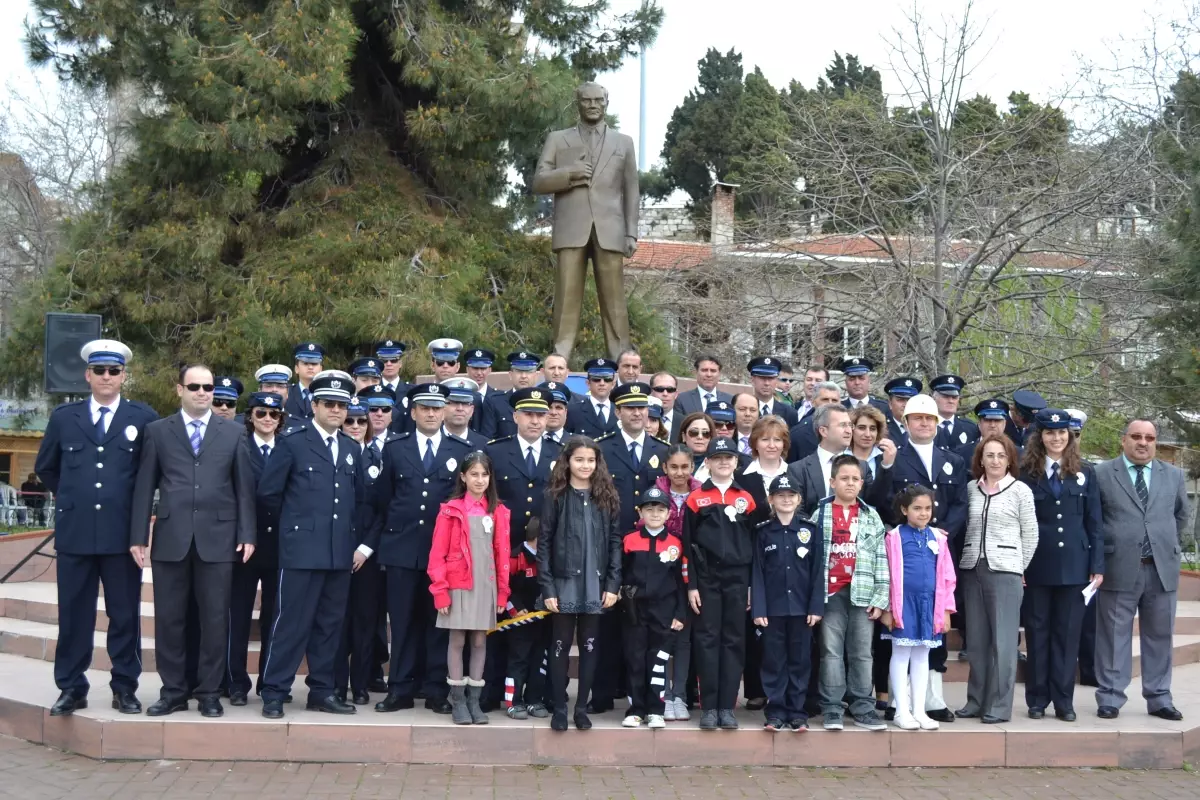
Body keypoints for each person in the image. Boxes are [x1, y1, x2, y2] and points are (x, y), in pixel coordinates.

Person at [34, 339, 157, 717]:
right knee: (74, 614)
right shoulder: (63, 418)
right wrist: (74, 497)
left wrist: (140, 531)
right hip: (76, 534)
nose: (107, 377)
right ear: (88, 375)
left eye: (114, 371)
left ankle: (125, 686)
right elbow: (46, 467)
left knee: (124, 615)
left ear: (124, 376)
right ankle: (71, 686)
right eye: (100, 371)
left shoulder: (143, 418)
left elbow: (149, 476)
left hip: (123, 537)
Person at [130, 364, 256, 718]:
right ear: (179, 390)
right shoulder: (157, 431)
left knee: (215, 619)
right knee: (170, 619)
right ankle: (173, 692)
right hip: (171, 539)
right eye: (195, 386)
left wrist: (247, 533)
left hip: (219, 539)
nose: (202, 392)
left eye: (208, 387)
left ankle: (209, 692)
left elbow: (244, 488)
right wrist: (138, 536)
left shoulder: (232, 433)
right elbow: (144, 487)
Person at [256, 372, 363, 718]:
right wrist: (293, 527)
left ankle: (322, 690)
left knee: (329, 625)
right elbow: (269, 493)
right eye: (328, 404)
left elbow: (356, 498)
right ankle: (274, 690)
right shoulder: (293, 441)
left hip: (338, 551)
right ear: (314, 405)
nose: (335, 410)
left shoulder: (349, 447)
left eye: (341, 405)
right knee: (291, 623)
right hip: (301, 550)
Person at [369, 383, 474, 714]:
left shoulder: (459, 450)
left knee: (437, 624)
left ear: (443, 411)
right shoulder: (396, 448)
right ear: (412, 412)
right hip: (401, 548)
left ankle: (435, 690)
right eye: (424, 408)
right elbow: (384, 498)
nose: (431, 413)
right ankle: (399, 688)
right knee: (400, 623)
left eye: (436, 408)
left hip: (443, 554)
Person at [532, 81, 639, 361]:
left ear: (607, 103)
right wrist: (570, 173)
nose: (593, 105)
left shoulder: (623, 142)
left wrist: (631, 233)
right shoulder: (558, 138)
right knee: (566, 295)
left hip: (611, 229)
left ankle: (621, 355)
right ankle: (560, 355)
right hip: (571, 228)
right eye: (587, 100)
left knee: (614, 298)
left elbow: (632, 190)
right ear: (578, 103)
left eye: (598, 100)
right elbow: (539, 181)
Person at [1094, 419, 1191, 722]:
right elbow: (1094, 520)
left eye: (1149, 437)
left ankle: (1160, 697)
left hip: (1161, 567)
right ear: (1123, 440)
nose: (1143, 442)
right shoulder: (1101, 473)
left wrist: (1158, 542)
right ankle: (1110, 696)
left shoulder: (1173, 475)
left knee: (1160, 636)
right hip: (1118, 566)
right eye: (1136, 436)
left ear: (1155, 442)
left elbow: (1180, 516)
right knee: (1113, 636)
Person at [882, 393, 969, 723]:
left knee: (934, 634)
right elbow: (886, 499)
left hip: (940, 551)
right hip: (906, 553)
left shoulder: (953, 459)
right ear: (906, 422)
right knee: (902, 642)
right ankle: (898, 702)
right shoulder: (896, 458)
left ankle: (931, 699)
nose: (924, 423)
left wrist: (943, 531)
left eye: (930, 418)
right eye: (917, 418)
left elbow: (960, 503)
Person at [1019, 408, 1103, 722]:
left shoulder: (1086, 471)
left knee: (1068, 636)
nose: (1056, 438)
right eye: (1050, 433)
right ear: (1040, 437)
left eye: (1062, 433)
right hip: (1037, 565)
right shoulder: (1025, 472)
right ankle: (1037, 699)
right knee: (1038, 634)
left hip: (1075, 567)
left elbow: (1094, 522)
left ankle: (1063, 701)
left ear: (1069, 436)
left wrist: (1097, 565)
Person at [592, 382, 668, 713]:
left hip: (650, 551)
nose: (637, 413)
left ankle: (640, 694)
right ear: (618, 411)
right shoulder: (602, 450)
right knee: (606, 621)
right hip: (610, 545)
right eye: (630, 407)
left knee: (644, 624)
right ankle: (604, 692)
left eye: (642, 408)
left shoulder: (663, 451)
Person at [538, 436, 623, 731]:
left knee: (589, 646)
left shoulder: (607, 495)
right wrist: (547, 587)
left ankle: (581, 707)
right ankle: (559, 707)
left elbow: (615, 541)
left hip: (596, 582)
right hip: (563, 581)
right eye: (579, 460)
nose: (585, 465)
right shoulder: (555, 495)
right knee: (559, 644)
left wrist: (613, 584)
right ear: (568, 462)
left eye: (591, 460)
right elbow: (544, 543)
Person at [955, 434, 1038, 724]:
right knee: (976, 642)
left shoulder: (1020, 491)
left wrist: (1017, 565)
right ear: (980, 459)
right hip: (972, 570)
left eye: (1001, 456)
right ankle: (976, 701)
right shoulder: (970, 489)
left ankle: (1000, 705)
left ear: (1009, 460)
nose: (995, 461)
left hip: (1006, 573)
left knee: (1003, 643)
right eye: (989, 455)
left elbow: (1031, 535)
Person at [428, 451, 511, 725]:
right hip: (457, 585)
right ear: (463, 477)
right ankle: (458, 701)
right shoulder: (451, 510)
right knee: (457, 640)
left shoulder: (497, 511)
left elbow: (502, 555)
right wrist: (440, 590)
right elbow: (437, 554)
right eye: (473, 474)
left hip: (484, 586)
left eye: (484, 475)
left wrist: (502, 591)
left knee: (479, 640)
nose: (479, 480)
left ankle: (475, 700)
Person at [811, 454, 890, 732]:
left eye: (855, 479)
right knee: (831, 651)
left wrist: (881, 598)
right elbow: (811, 559)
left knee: (862, 652)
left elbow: (882, 557)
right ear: (832, 482)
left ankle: (863, 706)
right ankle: (832, 707)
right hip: (829, 593)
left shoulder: (871, 516)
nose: (850, 483)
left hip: (864, 593)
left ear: (862, 483)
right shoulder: (819, 514)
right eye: (844, 478)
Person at [683, 436, 757, 731]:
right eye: (718, 457)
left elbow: (753, 544)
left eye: (729, 457)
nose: (724, 462)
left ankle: (727, 706)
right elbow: (688, 546)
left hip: (738, 579)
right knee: (706, 640)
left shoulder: (747, 499)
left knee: (734, 641)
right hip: (707, 579)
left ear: (737, 462)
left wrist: (751, 585)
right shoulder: (696, 498)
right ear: (708, 462)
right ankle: (708, 707)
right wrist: (692, 585)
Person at [226, 392, 286, 707]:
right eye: (261, 413)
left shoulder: (289, 446)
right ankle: (236, 682)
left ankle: (269, 681)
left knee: (274, 618)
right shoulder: (238, 445)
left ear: (281, 419)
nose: (267, 419)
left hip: (279, 547)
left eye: (273, 415)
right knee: (237, 617)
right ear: (250, 416)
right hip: (243, 545)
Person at [752, 474, 824, 731]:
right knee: (773, 661)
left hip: (802, 610)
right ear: (771, 499)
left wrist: (816, 606)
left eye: (790, 495)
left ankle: (797, 711)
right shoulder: (762, 532)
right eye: (780, 495)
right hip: (772, 610)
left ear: (798, 499)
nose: (785, 500)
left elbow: (817, 571)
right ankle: (775, 711)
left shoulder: (810, 530)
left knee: (800, 661)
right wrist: (758, 608)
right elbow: (757, 573)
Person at [882, 485, 957, 731]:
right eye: (917, 508)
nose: (923, 513)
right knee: (901, 653)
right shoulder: (894, 537)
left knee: (923, 655)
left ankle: (919, 710)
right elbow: (887, 574)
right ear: (904, 509)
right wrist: (888, 608)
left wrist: (946, 609)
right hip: (903, 604)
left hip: (930, 605)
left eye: (927, 508)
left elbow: (947, 576)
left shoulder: (938, 537)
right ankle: (901, 710)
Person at [619, 487, 686, 729]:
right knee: (635, 660)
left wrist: (680, 613)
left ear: (668, 513)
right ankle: (636, 710)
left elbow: (681, 581)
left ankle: (657, 710)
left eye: (660, 509)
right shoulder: (629, 540)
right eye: (649, 509)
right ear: (640, 512)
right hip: (635, 612)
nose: (655, 514)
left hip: (665, 612)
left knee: (658, 661)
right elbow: (621, 575)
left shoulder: (676, 543)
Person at [655, 444, 701, 721]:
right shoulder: (655, 494)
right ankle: (662, 694)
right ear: (665, 468)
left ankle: (681, 695)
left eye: (685, 467)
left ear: (692, 467)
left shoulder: (701, 494)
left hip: (692, 574)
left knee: (684, 637)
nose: (679, 472)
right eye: (674, 467)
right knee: (662, 636)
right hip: (661, 575)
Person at [503, 514, 549, 720]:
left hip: (544, 621)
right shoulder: (515, 557)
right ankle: (513, 702)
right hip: (519, 622)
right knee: (518, 661)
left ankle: (534, 699)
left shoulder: (549, 558)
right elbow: (504, 587)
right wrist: (516, 609)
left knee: (539, 660)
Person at [788, 381, 842, 463]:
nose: (830, 404)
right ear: (813, 402)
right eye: (825, 399)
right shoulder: (799, 433)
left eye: (834, 400)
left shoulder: (849, 429)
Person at [492, 352, 543, 438]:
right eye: (519, 371)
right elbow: (488, 438)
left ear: (536, 376)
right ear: (510, 375)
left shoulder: (544, 402)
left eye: (528, 372)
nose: (523, 376)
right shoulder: (495, 402)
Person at [566, 357, 619, 438]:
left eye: (607, 379)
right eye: (596, 379)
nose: (602, 383)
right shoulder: (573, 411)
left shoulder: (621, 410)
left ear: (613, 384)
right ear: (588, 383)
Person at [930, 374, 979, 457]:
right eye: (946, 397)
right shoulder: (925, 427)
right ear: (934, 398)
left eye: (954, 397)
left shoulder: (970, 428)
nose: (951, 401)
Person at [747, 356, 799, 428]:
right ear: (752, 380)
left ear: (776, 380)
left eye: (771, 378)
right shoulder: (743, 411)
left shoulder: (790, 413)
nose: (767, 383)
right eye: (762, 378)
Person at [441, 377, 489, 449]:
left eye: (465, 403)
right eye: (455, 403)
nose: (460, 408)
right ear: (442, 407)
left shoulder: (485, 446)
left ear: (472, 410)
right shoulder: (430, 442)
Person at [464, 348, 500, 438]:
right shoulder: (461, 398)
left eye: (483, 368)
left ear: (490, 370)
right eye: (475, 368)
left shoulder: (498, 398)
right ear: (467, 369)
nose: (479, 373)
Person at [285, 342, 324, 419]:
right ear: (296, 369)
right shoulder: (287, 392)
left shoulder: (325, 395)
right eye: (305, 363)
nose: (310, 367)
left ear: (321, 369)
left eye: (314, 364)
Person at [850, 405, 890, 480]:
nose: (867, 434)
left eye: (872, 429)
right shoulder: (839, 456)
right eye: (861, 428)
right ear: (851, 429)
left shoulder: (885, 457)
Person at [882, 377, 922, 445]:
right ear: (890, 403)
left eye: (910, 400)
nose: (906, 404)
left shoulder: (926, 427)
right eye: (901, 400)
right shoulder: (881, 428)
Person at [650, 372, 681, 442]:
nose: (665, 394)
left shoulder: (684, 422)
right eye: (660, 389)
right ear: (651, 392)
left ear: (676, 394)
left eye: (670, 390)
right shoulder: (641, 419)